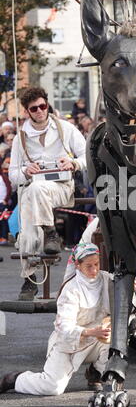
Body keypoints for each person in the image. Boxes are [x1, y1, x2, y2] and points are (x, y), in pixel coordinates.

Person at [0, 243, 111, 396]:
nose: (94, 270)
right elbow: (64, 328)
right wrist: (92, 331)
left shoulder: (107, 279)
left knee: (117, 340)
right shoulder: (71, 289)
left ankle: (96, 373)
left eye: (96, 264)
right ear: (78, 265)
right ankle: (15, 379)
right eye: (88, 266)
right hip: (70, 343)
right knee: (52, 388)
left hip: (97, 341)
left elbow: (126, 303)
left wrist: (131, 286)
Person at [8, 87, 87, 301]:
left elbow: (87, 154)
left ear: (48, 105)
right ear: (27, 111)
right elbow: (13, 175)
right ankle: (30, 279)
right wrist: (26, 171)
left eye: (43, 106)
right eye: (34, 108)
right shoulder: (20, 138)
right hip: (33, 192)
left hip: (61, 188)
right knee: (27, 229)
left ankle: (51, 233)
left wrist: (73, 163)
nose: (40, 111)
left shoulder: (64, 128)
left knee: (35, 191)